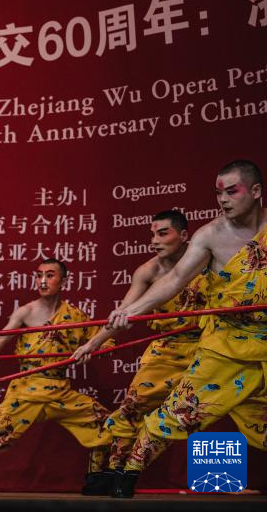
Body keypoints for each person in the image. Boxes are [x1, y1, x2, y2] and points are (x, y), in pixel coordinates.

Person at [106, 160, 267, 498]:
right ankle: (129, 471)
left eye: (232, 191)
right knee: (181, 411)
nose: (223, 199)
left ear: (255, 191)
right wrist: (130, 312)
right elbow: (175, 279)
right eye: (218, 193)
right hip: (224, 344)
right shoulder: (210, 236)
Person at [0, 259, 113, 493]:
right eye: (39, 275)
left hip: (60, 390)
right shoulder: (26, 312)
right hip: (27, 390)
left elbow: (103, 341)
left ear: (64, 281)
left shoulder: (75, 315)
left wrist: (92, 349)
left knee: (107, 424)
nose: (42, 281)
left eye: (50, 275)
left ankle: (96, 480)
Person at [71, 210, 208, 482]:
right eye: (152, 234)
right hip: (167, 349)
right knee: (132, 407)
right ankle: (116, 473)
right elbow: (124, 313)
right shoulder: (148, 272)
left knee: (227, 403)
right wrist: (92, 344)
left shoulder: (206, 258)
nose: (155, 240)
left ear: (184, 235)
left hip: (209, 344)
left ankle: (222, 479)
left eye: (163, 233)